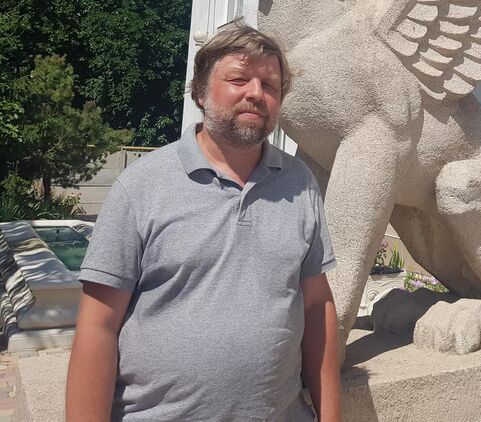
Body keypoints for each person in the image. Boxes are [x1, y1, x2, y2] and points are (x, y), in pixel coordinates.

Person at [66, 21, 341, 422]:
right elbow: (97, 326)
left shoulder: (300, 184)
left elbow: (317, 306)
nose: (256, 93)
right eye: (239, 79)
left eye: (270, 85)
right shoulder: (141, 186)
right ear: (199, 91)